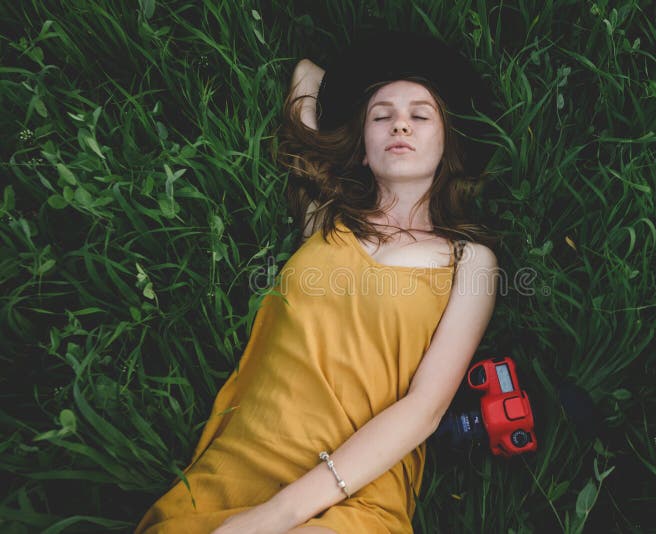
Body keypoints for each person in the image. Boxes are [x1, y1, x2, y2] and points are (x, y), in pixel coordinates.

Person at [134, 30, 499, 534]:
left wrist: (278, 515)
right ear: (365, 152)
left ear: (447, 147)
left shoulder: (470, 261)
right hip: (241, 465)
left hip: (358, 488)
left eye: (421, 115)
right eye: (380, 116)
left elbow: (425, 408)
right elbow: (306, 76)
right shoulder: (326, 222)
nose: (400, 123)